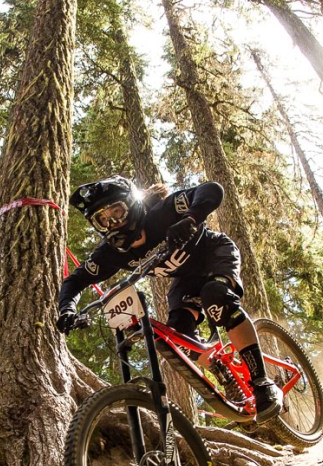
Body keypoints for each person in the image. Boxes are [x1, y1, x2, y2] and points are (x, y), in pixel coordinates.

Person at [56, 176, 283, 422]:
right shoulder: (111, 253)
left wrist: (191, 218)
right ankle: (222, 372)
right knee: (180, 340)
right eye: (103, 219)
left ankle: (262, 383)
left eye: (117, 212)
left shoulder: (162, 213)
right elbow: (75, 281)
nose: (112, 222)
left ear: (131, 204)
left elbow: (210, 190)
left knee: (216, 298)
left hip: (214, 253)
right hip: (186, 278)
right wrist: (67, 309)